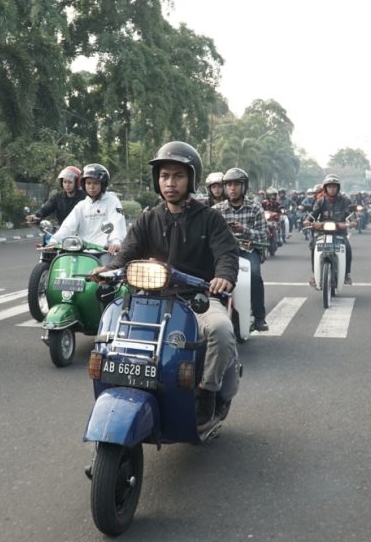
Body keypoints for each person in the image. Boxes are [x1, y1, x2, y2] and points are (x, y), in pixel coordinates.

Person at [91, 141, 239, 433]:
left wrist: (223, 275)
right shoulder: (149, 218)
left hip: (197, 298)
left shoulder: (210, 218)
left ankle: (207, 392)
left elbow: (226, 252)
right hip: (151, 299)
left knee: (221, 331)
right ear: (157, 180)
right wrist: (108, 269)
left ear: (191, 179)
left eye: (178, 176)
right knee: (111, 334)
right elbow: (127, 252)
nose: (170, 183)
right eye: (164, 176)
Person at [215, 167, 269, 332]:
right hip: (224, 252)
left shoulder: (255, 208)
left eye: (237, 184)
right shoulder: (216, 210)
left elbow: (264, 235)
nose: (232, 188)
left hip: (248, 250)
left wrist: (244, 230)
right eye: (229, 185)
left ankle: (259, 317)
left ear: (244, 187)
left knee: (254, 275)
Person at [48, 163, 126, 265]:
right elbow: (68, 226)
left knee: (105, 272)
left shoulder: (112, 201)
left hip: (104, 251)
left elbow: (117, 222)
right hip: (82, 251)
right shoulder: (82, 205)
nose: (91, 187)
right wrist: (54, 240)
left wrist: (116, 242)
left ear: (103, 184)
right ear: (83, 184)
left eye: (96, 183)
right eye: (88, 183)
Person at [306, 174, 354, 286]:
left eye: (334, 187)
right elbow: (313, 213)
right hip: (323, 231)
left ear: (338, 188)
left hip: (339, 232)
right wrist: (307, 220)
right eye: (329, 187)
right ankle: (315, 274)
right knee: (314, 247)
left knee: (347, 248)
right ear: (326, 188)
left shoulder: (345, 201)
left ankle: (346, 274)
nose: (332, 189)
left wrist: (353, 221)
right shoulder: (320, 201)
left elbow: (350, 213)